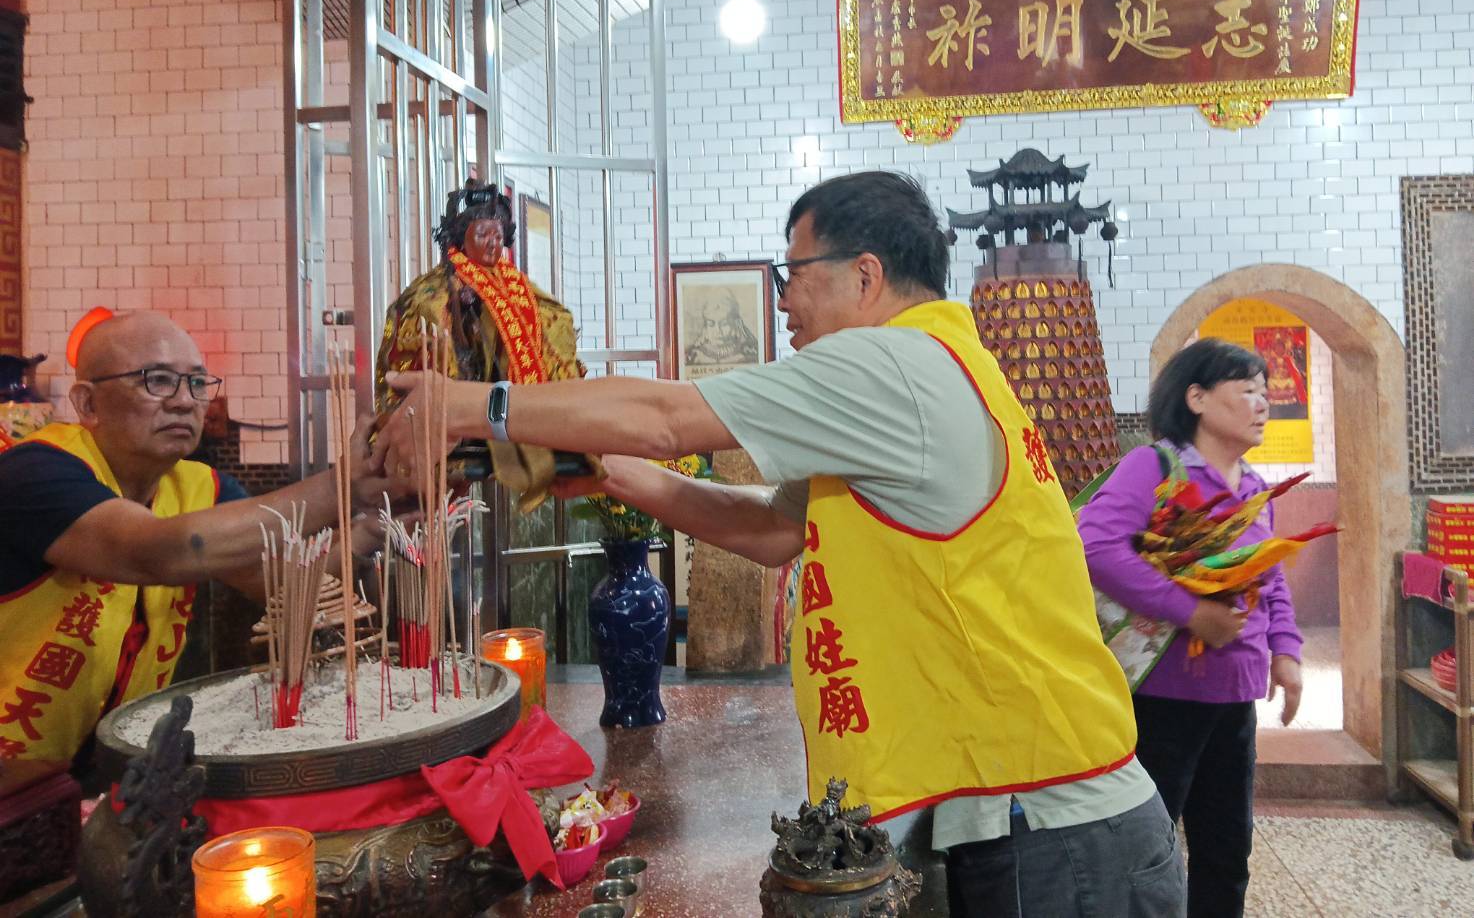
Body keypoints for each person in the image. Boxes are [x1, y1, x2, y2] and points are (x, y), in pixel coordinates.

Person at [374, 170, 1185, 916]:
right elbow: (771, 529)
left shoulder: (892, 364)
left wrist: (472, 405)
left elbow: (668, 418)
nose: (785, 301)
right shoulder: (932, 365)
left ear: (865, 276)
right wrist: (611, 474)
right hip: (1027, 816)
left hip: (1055, 834)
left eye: (791, 273)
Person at [0, 311, 390, 767]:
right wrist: (341, 488)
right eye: (157, 380)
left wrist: (374, 527)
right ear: (88, 404)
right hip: (14, 776)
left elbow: (285, 583)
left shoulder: (202, 488)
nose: (185, 401)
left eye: (198, 384)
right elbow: (154, 552)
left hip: (114, 764)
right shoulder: (33, 471)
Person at [1077, 337, 1304, 918]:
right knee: (1147, 852)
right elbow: (1095, 546)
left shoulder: (1254, 487)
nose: (1263, 403)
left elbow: (1271, 578)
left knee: (1226, 851)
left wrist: (1285, 651)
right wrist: (1191, 611)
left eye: (1265, 392)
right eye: (1247, 390)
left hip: (1235, 699)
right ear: (1197, 398)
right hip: (1163, 696)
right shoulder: (1154, 467)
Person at [376, 179, 596, 508]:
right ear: (461, 238)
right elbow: (421, 319)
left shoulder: (514, 281)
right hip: (463, 384)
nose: (492, 244)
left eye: (497, 235)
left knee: (554, 317)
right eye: (482, 235)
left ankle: (550, 411)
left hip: (509, 396)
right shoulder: (432, 291)